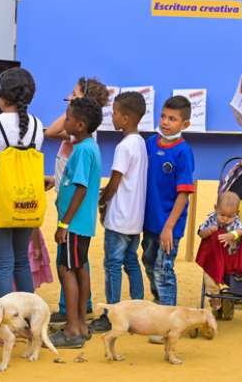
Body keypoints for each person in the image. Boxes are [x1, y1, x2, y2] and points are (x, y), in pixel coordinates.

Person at [0, 67, 45, 298]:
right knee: (21, 262)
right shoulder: (37, 126)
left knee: (2, 263)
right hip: (27, 200)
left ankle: (3, 325)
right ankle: (27, 318)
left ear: (1, 95)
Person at [45, 77, 109, 324]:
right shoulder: (87, 145)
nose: (65, 121)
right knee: (79, 267)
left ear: (80, 124)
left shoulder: (81, 149)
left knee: (67, 269)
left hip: (74, 223)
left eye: (69, 118)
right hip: (79, 221)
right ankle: (80, 323)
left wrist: (64, 224)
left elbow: (81, 188)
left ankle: (73, 328)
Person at [89, 91, 148, 333]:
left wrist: (101, 200)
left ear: (124, 118)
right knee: (131, 263)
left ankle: (111, 313)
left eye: (114, 113)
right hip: (135, 219)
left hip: (119, 218)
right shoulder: (141, 143)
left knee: (112, 264)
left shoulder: (124, 146)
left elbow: (115, 182)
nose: (111, 116)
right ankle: (139, 311)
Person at [142, 96, 195, 308]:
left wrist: (169, 227)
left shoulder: (183, 152)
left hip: (169, 225)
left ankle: (168, 316)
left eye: (172, 119)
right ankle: (159, 301)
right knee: (148, 262)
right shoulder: (149, 144)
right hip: (150, 222)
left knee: (163, 269)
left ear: (185, 125)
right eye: (163, 116)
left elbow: (183, 193)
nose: (165, 122)